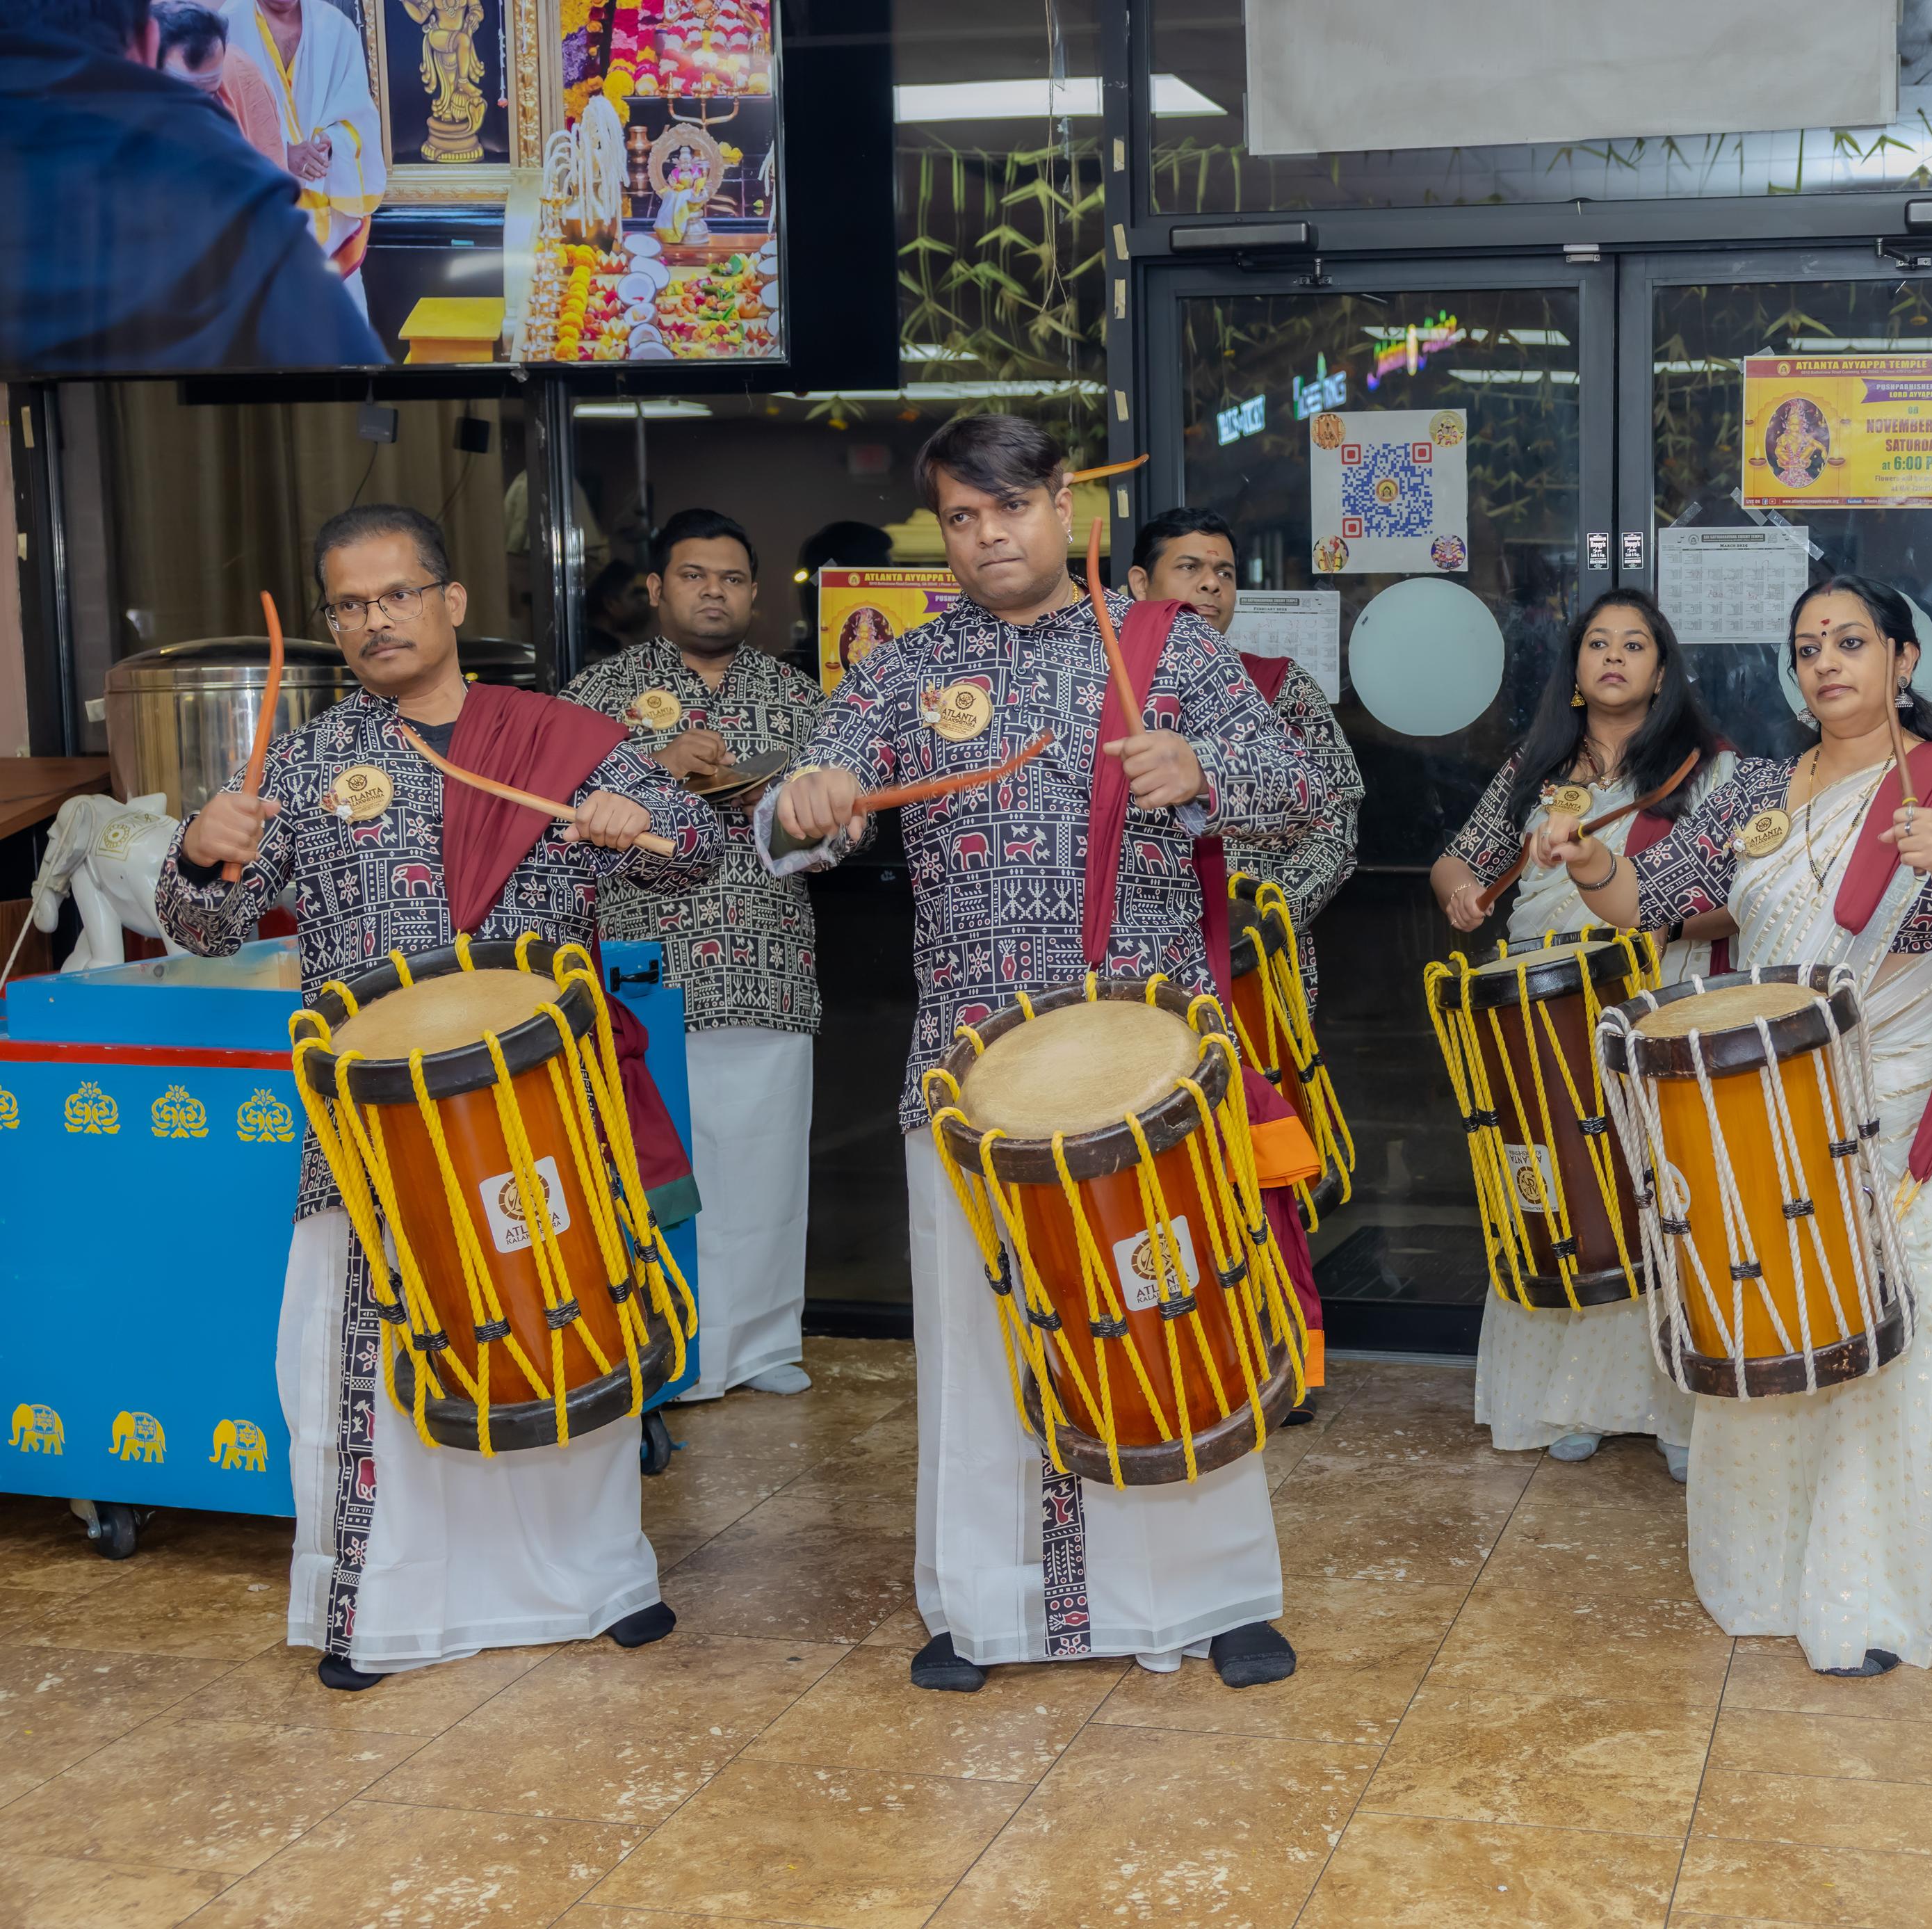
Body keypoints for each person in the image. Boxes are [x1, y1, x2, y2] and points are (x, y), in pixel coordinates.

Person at [758, 414, 1330, 1695]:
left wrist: (1200, 773)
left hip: (1149, 1075)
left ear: (1066, 508)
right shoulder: (905, 671)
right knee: (978, 1343)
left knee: (1171, 1313)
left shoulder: (1165, 643)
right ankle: (990, 1606)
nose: (985, 537)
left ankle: (1216, 1592)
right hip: (966, 1074)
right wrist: (798, 805)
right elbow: (809, 805)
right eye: (960, 517)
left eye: (1006, 510)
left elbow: (1292, 791)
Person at [159, 504, 722, 1689]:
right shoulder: (308, 760)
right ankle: (391, 1606)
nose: (374, 620)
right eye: (349, 604)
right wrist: (199, 850)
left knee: (554, 1331)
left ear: (453, 602)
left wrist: (644, 816)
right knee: (371, 1364)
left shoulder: (564, 737)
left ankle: (593, 1581)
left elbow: (699, 854)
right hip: (372, 1130)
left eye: (396, 594)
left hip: (533, 1111)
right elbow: (204, 927)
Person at [1541, 574, 1932, 1675]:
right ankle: (1771, 1573)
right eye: (1808, 644)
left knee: (1902, 1335)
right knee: (1781, 1310)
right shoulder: (1758, 789)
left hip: (1916, 1099)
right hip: (1779, 1101)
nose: (1827, 661)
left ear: (1903, 661)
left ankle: (1876, 1594)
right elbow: (1654, 897)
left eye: (1853, 640)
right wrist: (1590, 864)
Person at [1431, 590, 1737, 1480]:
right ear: (1573, 671)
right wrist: (1456, 890)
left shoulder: (1699, 771)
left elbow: (1736, 901)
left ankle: (1675, 1406)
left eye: (1633, 643)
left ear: (1661, 667)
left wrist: (1662, 926)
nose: (1613, 657)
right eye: (1596, 643)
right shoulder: (1536, 762)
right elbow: (1464, 854)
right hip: (1542, 1001)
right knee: (1565, 1184)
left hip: (1655, 992)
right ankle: (1567, 1396)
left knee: (1659, 1190)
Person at [562, 508, 825, 1401]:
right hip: (641, 966)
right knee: (652, 1162)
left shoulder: (800, 698)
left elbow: (844, 830)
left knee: (761, 1161)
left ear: (754, 594)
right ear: (656, 588)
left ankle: (759, 1344)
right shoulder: (593, 698)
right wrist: (656, 768)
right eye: (693, 575)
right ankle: (661, 1351)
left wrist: (801, 815)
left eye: (730, 578)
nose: (712, 591)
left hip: (763, 957)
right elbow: (546, 818)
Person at [0, 0, 384, 371]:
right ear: (148, 47)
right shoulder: (227, 185)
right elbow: (351, 378)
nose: (214, 106)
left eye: (215, 93)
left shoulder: (327, 31)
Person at [1130, 506, 1365, 1009]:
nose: (1211, 584)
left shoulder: (1283, 687)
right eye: (1189, 567)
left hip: (1262, 958)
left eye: (1224, 573)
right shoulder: (1104, 693)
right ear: (1140, 583)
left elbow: (1337, 816)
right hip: (1135, 960)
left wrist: (1269, 916)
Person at [215, 0, 380, 311]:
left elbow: (361, 116)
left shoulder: (338, 29)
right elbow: (217, 126)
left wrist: (329, 144)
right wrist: (280, 153)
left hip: (330, 212)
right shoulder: (227, 27)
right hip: (262, 224)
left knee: (344, 337)